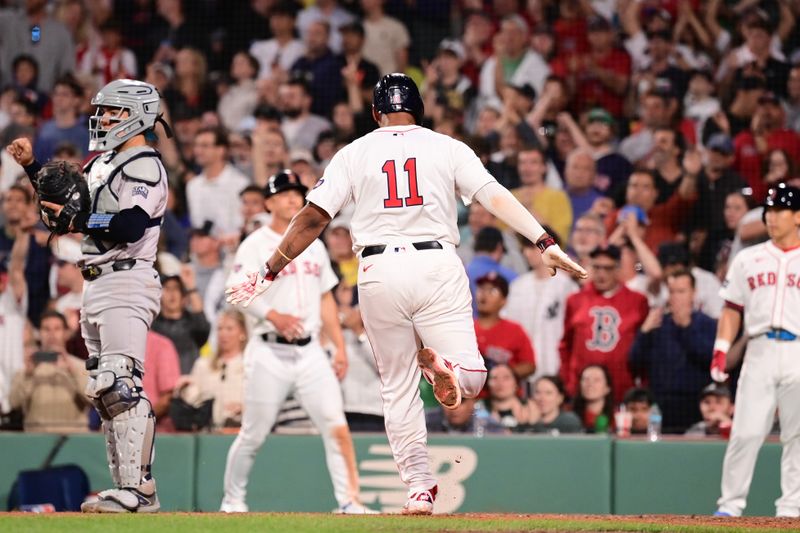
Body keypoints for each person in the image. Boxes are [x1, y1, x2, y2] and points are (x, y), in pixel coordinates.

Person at [225, 73, 586, 515]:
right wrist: (544, 241)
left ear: (376, 112)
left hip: (379, 270)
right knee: (473, 380)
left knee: (397, 388)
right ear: (419, 109)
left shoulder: (354, 151)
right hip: (437, 263)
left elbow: (313, 217)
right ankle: (447, 369)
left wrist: (269, 269)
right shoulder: (447, 146)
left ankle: (418, 488)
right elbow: (494, 195)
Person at [7, 78, 170, 512]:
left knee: (121, 384)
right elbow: (70, 207)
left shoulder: (144, 163)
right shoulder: (104, 161)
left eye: (112, 111)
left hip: (127, 277)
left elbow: (130, 225)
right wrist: (31, 168)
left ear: (137, 115)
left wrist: (83, 218)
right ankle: (124, 489)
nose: (102, 119)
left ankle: (140, 490)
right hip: (97, 280)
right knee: (103, 390)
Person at [221, 170, 372, 514]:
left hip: (311, 353)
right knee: (253, 434)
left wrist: (340, 347)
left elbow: (326, 300)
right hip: (269, 349)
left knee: (336, 426)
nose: (292, 199)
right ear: (269, 202)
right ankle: (232, 501)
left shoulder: (315, 246)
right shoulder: (256, 243)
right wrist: (273, 316)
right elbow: (235, 290)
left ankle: (349, 501)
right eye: (284, 194)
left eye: (296, 194)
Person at [712, 183, 800, 518]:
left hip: (798, 351)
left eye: (779, 210)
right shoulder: (748, 258)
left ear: (798, 216)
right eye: (769, 210)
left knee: (797, 434)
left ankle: (792, 509)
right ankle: (729, 506)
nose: (771, 216)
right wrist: (721, 348)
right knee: (745, 432)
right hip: (760, 349)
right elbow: (732, 309)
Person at [629, 269, 717, 433]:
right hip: (661, 404)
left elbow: (710, 359)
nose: (676, 297)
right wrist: (644, 332)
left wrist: (686, 328)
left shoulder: (707, 324)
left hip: (695, 405)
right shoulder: (657, 324)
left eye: (681, 291)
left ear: (694, 293)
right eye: (672, 292)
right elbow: (635, 361)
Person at [559, 245, 649, 403]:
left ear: (618, 268)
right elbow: (566, 344)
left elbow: (645, 347)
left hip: (623, 388)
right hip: (582, 389)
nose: (601, 274)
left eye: (607, 268)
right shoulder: (575, 300)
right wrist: (568, 383)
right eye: (597, 267)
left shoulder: (637, 301)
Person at [504, 235, 579, 382]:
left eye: (532, 248)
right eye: (525, 248)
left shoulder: (566, 286)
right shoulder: (518, 285)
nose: (527, 253)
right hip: (523, 368)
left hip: (555, 365)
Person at [10, 311, 89, 432]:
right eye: (46, 329)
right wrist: (28, 375)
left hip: (74, 442)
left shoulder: (80, 367)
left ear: (65, 333)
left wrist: (73, 371)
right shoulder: (25, 369)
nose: (51, 334)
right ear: (39, 333)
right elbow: (14, 403)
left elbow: (95, 401)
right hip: (37, 442)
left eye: (57, 329)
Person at [176, 310, 247, 430]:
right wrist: (184, 389)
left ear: (242, 333)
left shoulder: (251, 365)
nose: (223, 334)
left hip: (240, 430)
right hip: (209, 432)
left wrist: (244, 408)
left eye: (229, 329)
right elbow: (193, 400)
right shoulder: (203, 364)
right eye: (220, 329)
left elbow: (263, 403)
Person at [473, 272, 536, 384]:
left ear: (504, 301)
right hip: (471, 397)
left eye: (492, 291)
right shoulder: (465, 327)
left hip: (505, 397)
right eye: (481, 289)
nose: (484, 295)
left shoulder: (515, 330)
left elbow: (530, 366)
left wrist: (503, 374)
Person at [485, 363, 537, 430]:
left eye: (506, 378)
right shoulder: (480, 408)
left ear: (516, 383)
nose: (500, 383)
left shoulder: (530, 407)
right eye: (494, 378)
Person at [572, 364, 615, 434]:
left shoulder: (618, 417)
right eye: (585, 379)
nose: (590, 384)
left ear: (607, 388)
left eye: (596, 380)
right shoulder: (569, 414)